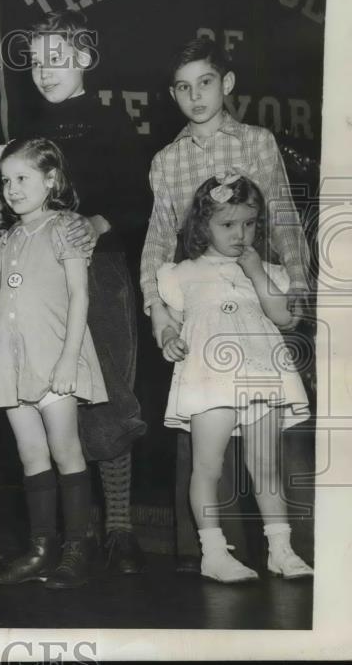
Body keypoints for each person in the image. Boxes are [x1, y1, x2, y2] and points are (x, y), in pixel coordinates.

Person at [0, 9, 149, 574]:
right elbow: (6, 205)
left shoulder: (112, 122)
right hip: (40, 284)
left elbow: (139, 202)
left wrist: (99, 223)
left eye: (56, 59)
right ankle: (57, 538)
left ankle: (119, 530)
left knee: (106, 396)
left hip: (97, 274)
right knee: (43, 398)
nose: (44, 71)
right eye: (34, 62)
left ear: (83, 60)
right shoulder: (25, 133)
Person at [141, 36, 312, 572]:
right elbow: (157, 239)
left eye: (206, 83)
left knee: (270, 449)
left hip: (258, 296)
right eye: (184, 88)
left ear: (227, 84)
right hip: (200, 305)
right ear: (173, 94)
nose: (196, 96)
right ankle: (212, 553)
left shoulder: (257, 142)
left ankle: (282, 549)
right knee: (206, 448)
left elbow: (282, 214)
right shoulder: (167, 161)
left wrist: (299, 282)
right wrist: (158, 308)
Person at [156, 173, 312, 582]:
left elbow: (283, 318)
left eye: (249, 223)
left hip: (261, 373)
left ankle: (281, 549)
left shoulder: (270, 271)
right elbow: (168, 318)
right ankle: (213, 552)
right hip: (207, 376)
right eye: (227, 225)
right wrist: (169, 335)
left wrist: (257, 271)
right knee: (207, 465)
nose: (240, 234)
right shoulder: (181, 273)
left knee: (266, 466)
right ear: (202, 225)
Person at [0, 138, 107, 590]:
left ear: (51, 179)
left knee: (65, 450)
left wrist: (69, 359)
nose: (12, 189)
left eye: (23, 178)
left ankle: (77, 546)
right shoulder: (6, 240)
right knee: (30, 454)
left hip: (55, 358)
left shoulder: (66, 228)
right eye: (6, 181)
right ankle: (41, 548)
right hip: (14, 364)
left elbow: (80, 295)